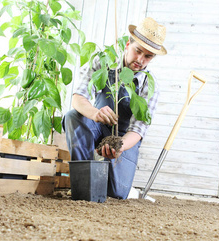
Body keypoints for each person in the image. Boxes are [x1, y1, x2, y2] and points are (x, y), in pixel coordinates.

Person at [62, 17, 167, 199]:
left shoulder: (149, 86)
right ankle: (83, 183)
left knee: (116, 192)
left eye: (148, 56)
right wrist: (96, 113)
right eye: (138, 51)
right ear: (128, 44)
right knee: (73, 117)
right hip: (97, 127)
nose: (140, 60)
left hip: (123, 139)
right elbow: (78, 98)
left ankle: (121, 185)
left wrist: (119, 146)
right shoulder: (103, 63)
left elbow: (138, 129)